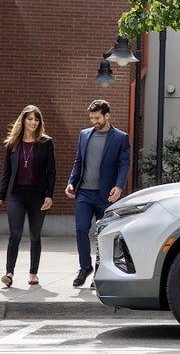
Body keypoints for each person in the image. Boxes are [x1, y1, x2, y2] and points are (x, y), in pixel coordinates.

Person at [65, 100, 130, 287]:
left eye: (97, 118)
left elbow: (124, 164)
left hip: (106, 195)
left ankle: (100, 271)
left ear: (107, 115)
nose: (94, 121)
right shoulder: (84, 135)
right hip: (84, 193)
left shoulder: (120, 138)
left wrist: (119, 186)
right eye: (91, 118)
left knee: (104, 235)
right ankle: (85, 267)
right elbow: (79, 161)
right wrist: (71, 182)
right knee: (81, 229)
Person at [0, 105, 56, 288]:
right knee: (15, 233)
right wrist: (1, 196)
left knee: (35, 235)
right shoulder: (13, 143)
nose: (33, 122)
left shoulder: (46, 142)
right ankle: (9, 273)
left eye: (36, 119)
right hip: (16, 195)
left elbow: (51, 172)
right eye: (30, 119)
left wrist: (49, 195)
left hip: (37, 195)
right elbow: (6, 173)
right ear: (23, 120)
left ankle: (33, 273)